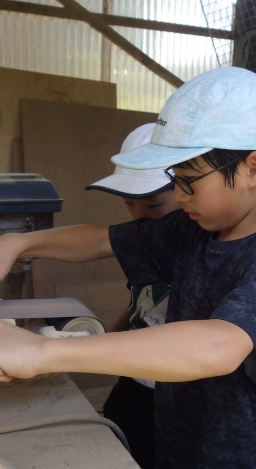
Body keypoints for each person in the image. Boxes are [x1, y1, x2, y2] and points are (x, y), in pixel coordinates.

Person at [0, 66, 256, 468]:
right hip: (176, 443)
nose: (179, 196)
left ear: (254, 169)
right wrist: (18, 243)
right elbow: (103, 239)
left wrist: (45, 351)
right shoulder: (195, 228)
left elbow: (219, 346)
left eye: (189, 181)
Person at [85, 122, 180, 469]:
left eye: (153, 206)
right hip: (134, 385)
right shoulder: (147, 244)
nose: (139, 217)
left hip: (173, 395)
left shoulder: (201, 249)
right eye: (129, 204)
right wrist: (101, 339)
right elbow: (141, 299)